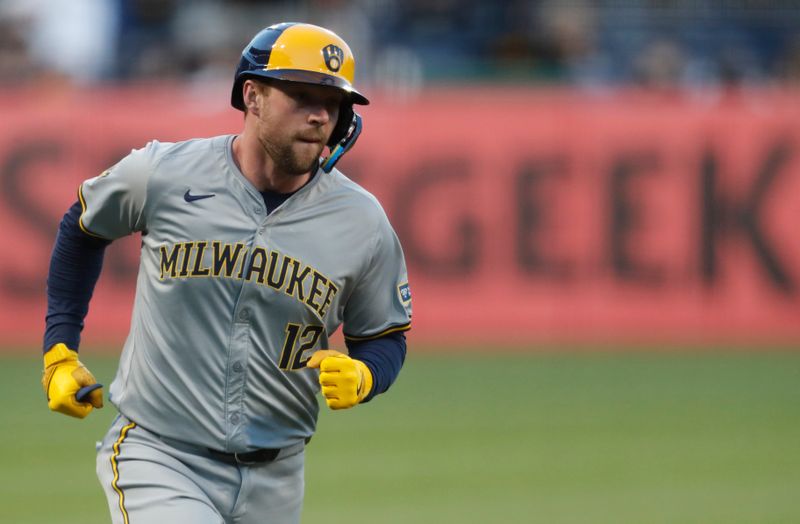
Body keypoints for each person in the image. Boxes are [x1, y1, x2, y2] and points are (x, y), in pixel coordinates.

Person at [41, 22, 412, 524]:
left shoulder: (362, 222)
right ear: (252, 96)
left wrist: (368, 374)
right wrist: (60, 349)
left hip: (278, 477)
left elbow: (385, 335)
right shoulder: (164, 173)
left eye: (333, 100)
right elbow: (82, 228)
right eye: (301, 95)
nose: (321, 114)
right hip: (160, 455)